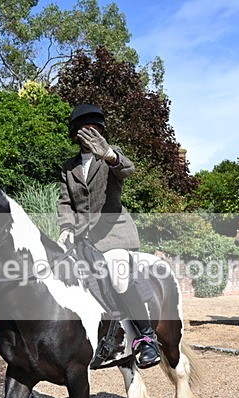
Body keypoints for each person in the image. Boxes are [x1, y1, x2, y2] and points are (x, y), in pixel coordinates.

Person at [56, 103, 160, 369]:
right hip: (82, 239)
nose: (90, 135)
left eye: (95, 130)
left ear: (102, 132)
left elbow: (127, 170)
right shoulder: (69, 167)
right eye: (84, 130)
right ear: (75, 135)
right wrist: (66, 227)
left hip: (114, 235)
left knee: (116, 273)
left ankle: (147, 340)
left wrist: (111, 155)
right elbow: (65, 201)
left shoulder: (111, 157)